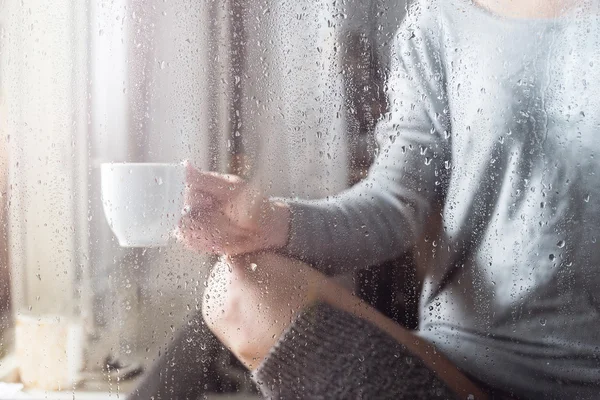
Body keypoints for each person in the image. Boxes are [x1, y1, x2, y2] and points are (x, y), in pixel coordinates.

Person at [132, 0, 600, 398]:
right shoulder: (441, 20)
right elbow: (393, 204)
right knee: (239, 294)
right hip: (455, 373)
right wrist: (270, 221)